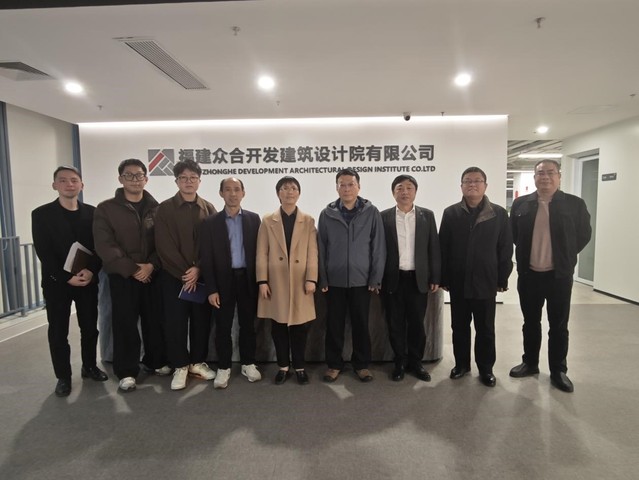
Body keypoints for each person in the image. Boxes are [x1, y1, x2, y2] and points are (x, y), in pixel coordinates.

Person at [509, 160, 591, 393]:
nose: (545, 177)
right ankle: (530, 363)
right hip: (529, 275)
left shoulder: (574, 204)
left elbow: (584, 234)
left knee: (559, 325)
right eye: (540, 173)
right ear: (534, 177)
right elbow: (514, 234)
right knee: (530, 322)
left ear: (559, 176)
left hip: (559, 276)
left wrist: (566, 255)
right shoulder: (521, 204)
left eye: (550, 172)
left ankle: (558, 370)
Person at [93, 158, 169, 392]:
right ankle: (126, 371)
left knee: (154, 320)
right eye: (129, 175)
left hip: (152, 274)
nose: (135, 180)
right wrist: (133, 269)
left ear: (146, 179)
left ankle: (155, 360)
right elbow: (105, 245)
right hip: (123, 275)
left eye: (139, 175)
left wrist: (151, 266)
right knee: (125, 323)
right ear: (120, 179)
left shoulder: (157, 208)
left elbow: (164, 242)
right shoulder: (106, 209)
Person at [32, 165, 107, 397]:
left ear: (81, 185)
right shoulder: (41, 214)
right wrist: (66, 277)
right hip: (57, 283)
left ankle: (89, 366)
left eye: (74, 180)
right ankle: (63, 376)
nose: (69, 184)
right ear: (54, 185)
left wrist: (92, 271)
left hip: (87, 281)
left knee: (90, 328)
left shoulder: (93, 213)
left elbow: (99, 247)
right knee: (58, 331)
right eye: (63, 180)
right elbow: (44, 251)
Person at [439, 167, 513, 387]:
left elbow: (505, 248)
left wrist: (502, 278)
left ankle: (486, 368)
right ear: (461, 186)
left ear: (485, 185)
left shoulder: (499, 214)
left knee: (485, 329)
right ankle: (461, 365)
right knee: (459, 327)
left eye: (477, 181)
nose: (472, 184)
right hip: (459, 281)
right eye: (467, 181)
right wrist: (444, 278)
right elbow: (443, 247)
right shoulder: (451, 213)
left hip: (486, 281)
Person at [318, 168, 386, 383]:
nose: (346, 188)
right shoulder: (327, 214)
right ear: (336, 187)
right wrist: (323, 277)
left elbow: (378, 247)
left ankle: (362, 365)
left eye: (351, 184)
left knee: (361, 324)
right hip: (334, 281)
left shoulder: (371, 212)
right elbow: (321, 248)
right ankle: (334, 365)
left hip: (362, 280)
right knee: (334, 325)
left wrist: (375, 277)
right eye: (342, 184)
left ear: (359, 186)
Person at [155, 160, 217, 390]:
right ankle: (180, 365)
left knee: (201, 321)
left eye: (193, 177)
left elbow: (213, 244)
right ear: (176, 181)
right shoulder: (164, 209)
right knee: (175, 322)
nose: (188, 181)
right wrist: (185, 272)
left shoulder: (208, 208)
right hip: (174, 277)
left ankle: (197, 362)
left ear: (199, 181)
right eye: (183, 177)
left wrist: (198, 269)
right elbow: (163, 245)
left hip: (201, 278)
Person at [199, 177, 261, 389]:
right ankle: (224, 367)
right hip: (222, 281)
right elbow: (206, 258)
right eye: (228, 189)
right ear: (221, 193)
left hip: (247, 280)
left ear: (243, 193)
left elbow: (260, 253)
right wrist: (211, 289)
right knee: (223, 326)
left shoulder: (253, 219)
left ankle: (248, 363)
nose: (232, 194)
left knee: (248, 325)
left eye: (236, 189)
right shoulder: (210, 223)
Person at [256, 176, 318, 385]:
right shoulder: (268, 220)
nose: (289, 192)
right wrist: (262, 281)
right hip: (276, 282)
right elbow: (261, 253)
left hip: (301, 282)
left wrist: (311, 278)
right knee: (279, 327)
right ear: (278, 193)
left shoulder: (308, 220)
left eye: (293, 188)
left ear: (299, 193)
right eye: (285, 188)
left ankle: (299, 366)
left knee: (300, 328)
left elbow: (312, 253)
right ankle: (283, 366)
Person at [381, 175, 441, 382]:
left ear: (415, 191)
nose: (404, 192)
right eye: (400, 188)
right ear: (393, 192)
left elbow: (433, 247)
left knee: (417, 323)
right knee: (395, 323)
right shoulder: (384, 217)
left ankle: (416, 362)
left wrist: (435, 276)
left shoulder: (427, 216)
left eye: (409, 188)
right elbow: (378, 250)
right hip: (393, 279)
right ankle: (399, 361)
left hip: (418, 279)